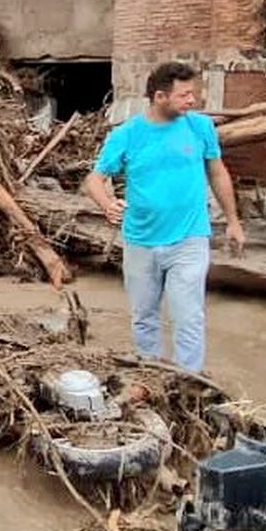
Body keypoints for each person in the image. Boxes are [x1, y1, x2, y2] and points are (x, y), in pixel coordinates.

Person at [84, 62, 246, 371]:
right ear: (160, 96)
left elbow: (217, 171)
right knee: (144, 317)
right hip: (141, 240)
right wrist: (106, 204)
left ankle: (189, 379)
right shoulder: (127, 134)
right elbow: (94, 179)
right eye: (185, 95)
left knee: (188, 315)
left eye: (193, 94)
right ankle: (151, 374)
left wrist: (234, 222)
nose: (193, 101)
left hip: (190, 238)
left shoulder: (200, 127)